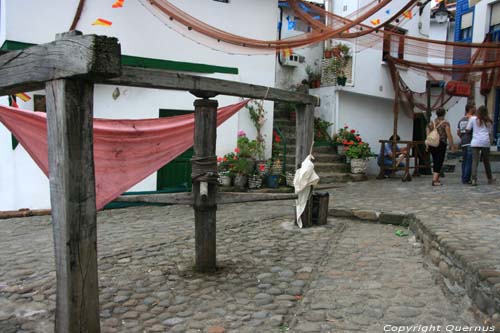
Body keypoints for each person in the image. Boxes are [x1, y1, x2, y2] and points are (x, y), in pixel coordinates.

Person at [466, 105, 496, 186]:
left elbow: (468, 129)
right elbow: (489, 133)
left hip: (475, 142)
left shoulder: (473, 119)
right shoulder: (488, 121)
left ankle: (474, 179)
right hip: (485, 142)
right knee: (486, 161)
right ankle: (490, 178)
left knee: (475, 161)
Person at [427, 108, 454, 186]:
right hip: (441, 143)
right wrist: (451, 145)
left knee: (435, 160)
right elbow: (448, 135)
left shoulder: (432, 122)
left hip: (432, 143)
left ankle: (436, 178)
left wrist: (427, 143)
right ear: (444, 114)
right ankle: (434, 180)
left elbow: (428, 132)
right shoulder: (445, 123)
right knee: (439, 161)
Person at [457, 102, 475, 184]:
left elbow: (458, 132)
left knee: (464, 160)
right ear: (471, 109)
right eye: (474, 107)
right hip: (471, 141)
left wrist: (462, 137)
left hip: (463, 142)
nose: (475, 109)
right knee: (469, 161)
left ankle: (463, 176)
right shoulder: (473, 119)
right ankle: (466, 178)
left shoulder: (461, 119)